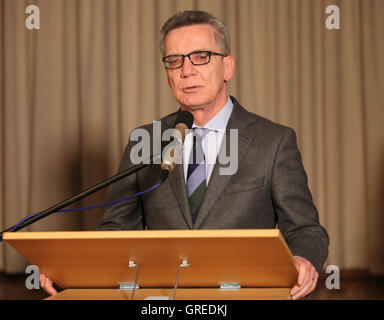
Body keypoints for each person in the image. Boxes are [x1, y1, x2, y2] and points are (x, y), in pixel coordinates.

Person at [42, 10, 329, 300]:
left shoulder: (273, 141)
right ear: (168, 75)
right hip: (162, 298)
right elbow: (116, 229)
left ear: (228, 67)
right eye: (174, 60)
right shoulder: (146, 141)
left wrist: (303, 260)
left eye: (201, 56)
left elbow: (306, 228)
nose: (187, 70)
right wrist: (71, 266)